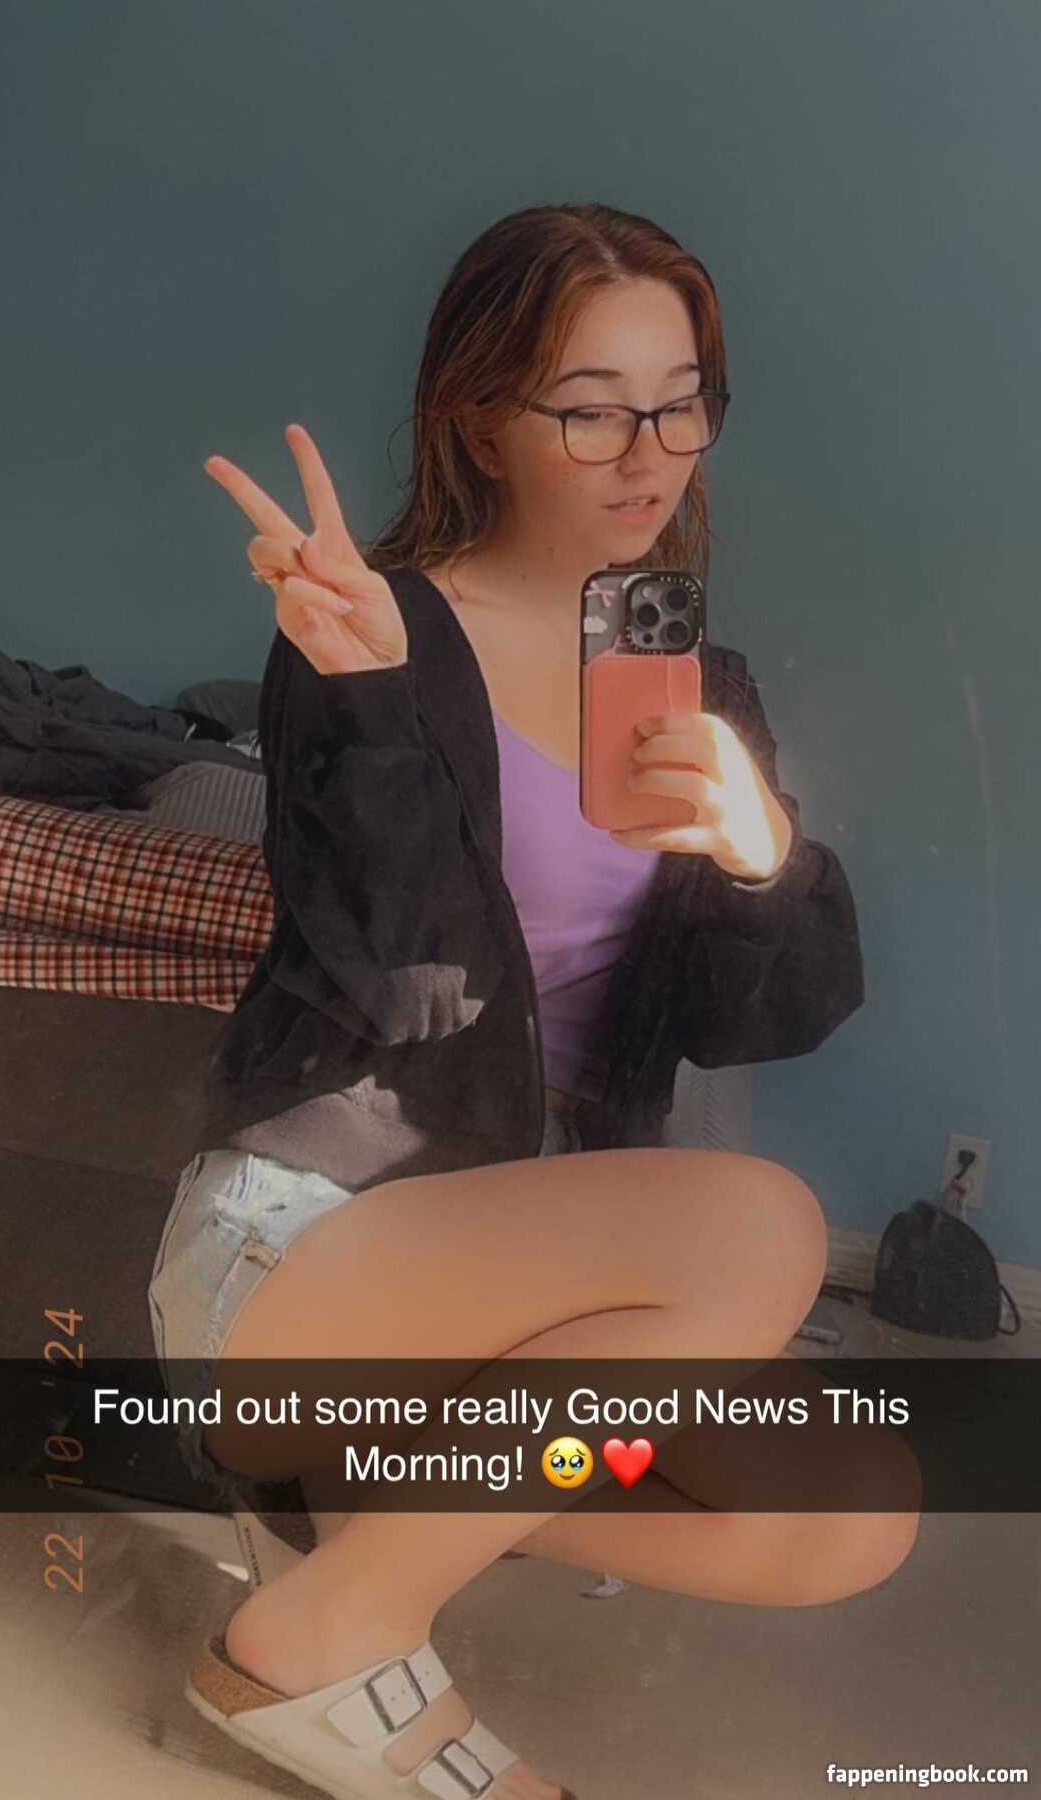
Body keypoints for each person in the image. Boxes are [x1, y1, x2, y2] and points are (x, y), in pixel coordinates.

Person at [147, 202, 917, 1800]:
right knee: (758, 1225)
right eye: (592, 409)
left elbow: (753, 1020)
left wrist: (764, 859)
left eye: (683, 402)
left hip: (534, 1300)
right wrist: (370, 702)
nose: (652, 454)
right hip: (312, 1251)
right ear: (482, 421)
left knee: (857, 1508)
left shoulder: (693, 679)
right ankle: (320, 1641)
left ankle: (382, 1533)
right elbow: (401, 978)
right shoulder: (373, 630)